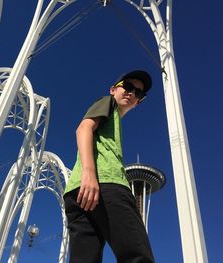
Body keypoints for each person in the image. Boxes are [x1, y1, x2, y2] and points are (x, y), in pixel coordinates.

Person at [64, 70, 155, 263]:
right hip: (105, 185)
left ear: (139, 102)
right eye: (128, 87)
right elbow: (83, 128)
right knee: (137, 255)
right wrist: (90, 174)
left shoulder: (114, 121)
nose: (132, 93)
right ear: (113, 89)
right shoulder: (108, 103)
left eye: (138, 93)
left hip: (76, 193)